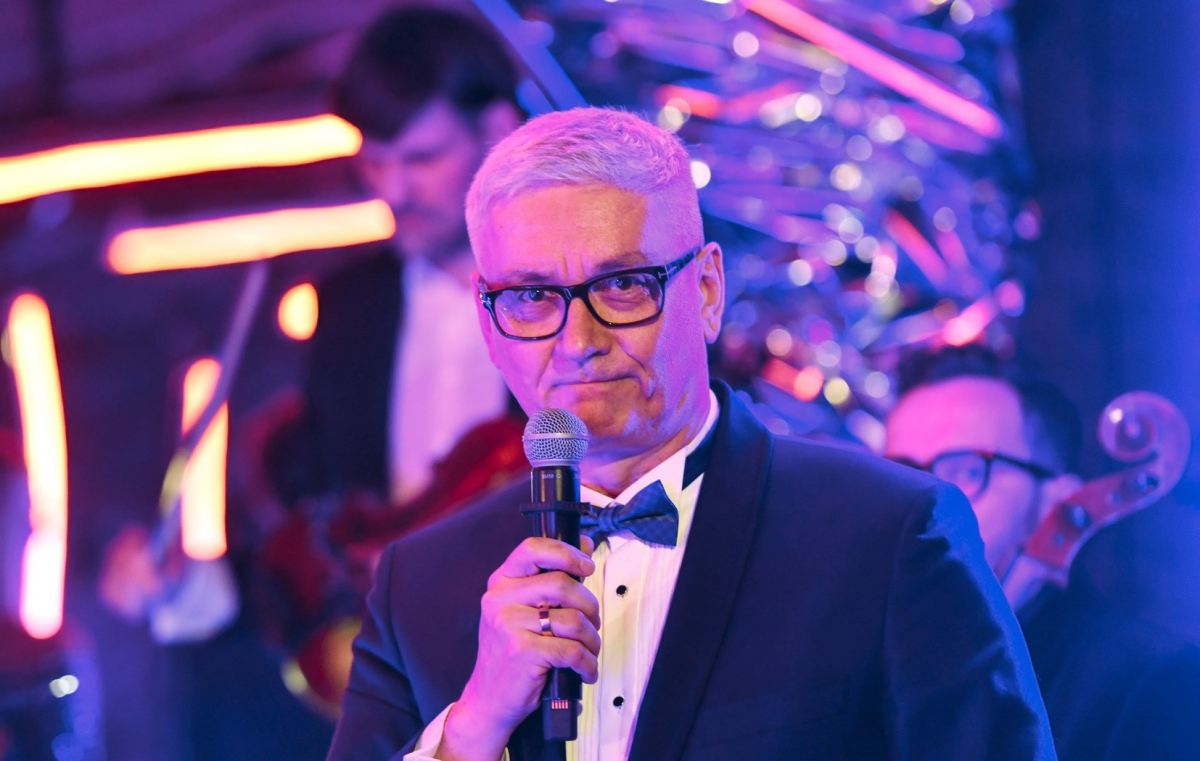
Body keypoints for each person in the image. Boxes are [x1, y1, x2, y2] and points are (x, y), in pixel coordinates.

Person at [327, 107, 1054, 760]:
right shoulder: (416, 585)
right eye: (533, 296)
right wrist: (472, 729)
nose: (578, 341)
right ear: (489, 324)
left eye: (623, 286)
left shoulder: (889, 533)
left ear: (707, 290)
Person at [885, 344, 1200, 761]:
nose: (922, 504)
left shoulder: (1153, 683)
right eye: (902, 475)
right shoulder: (876, 683)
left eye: (968, 471)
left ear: (1055, 502)